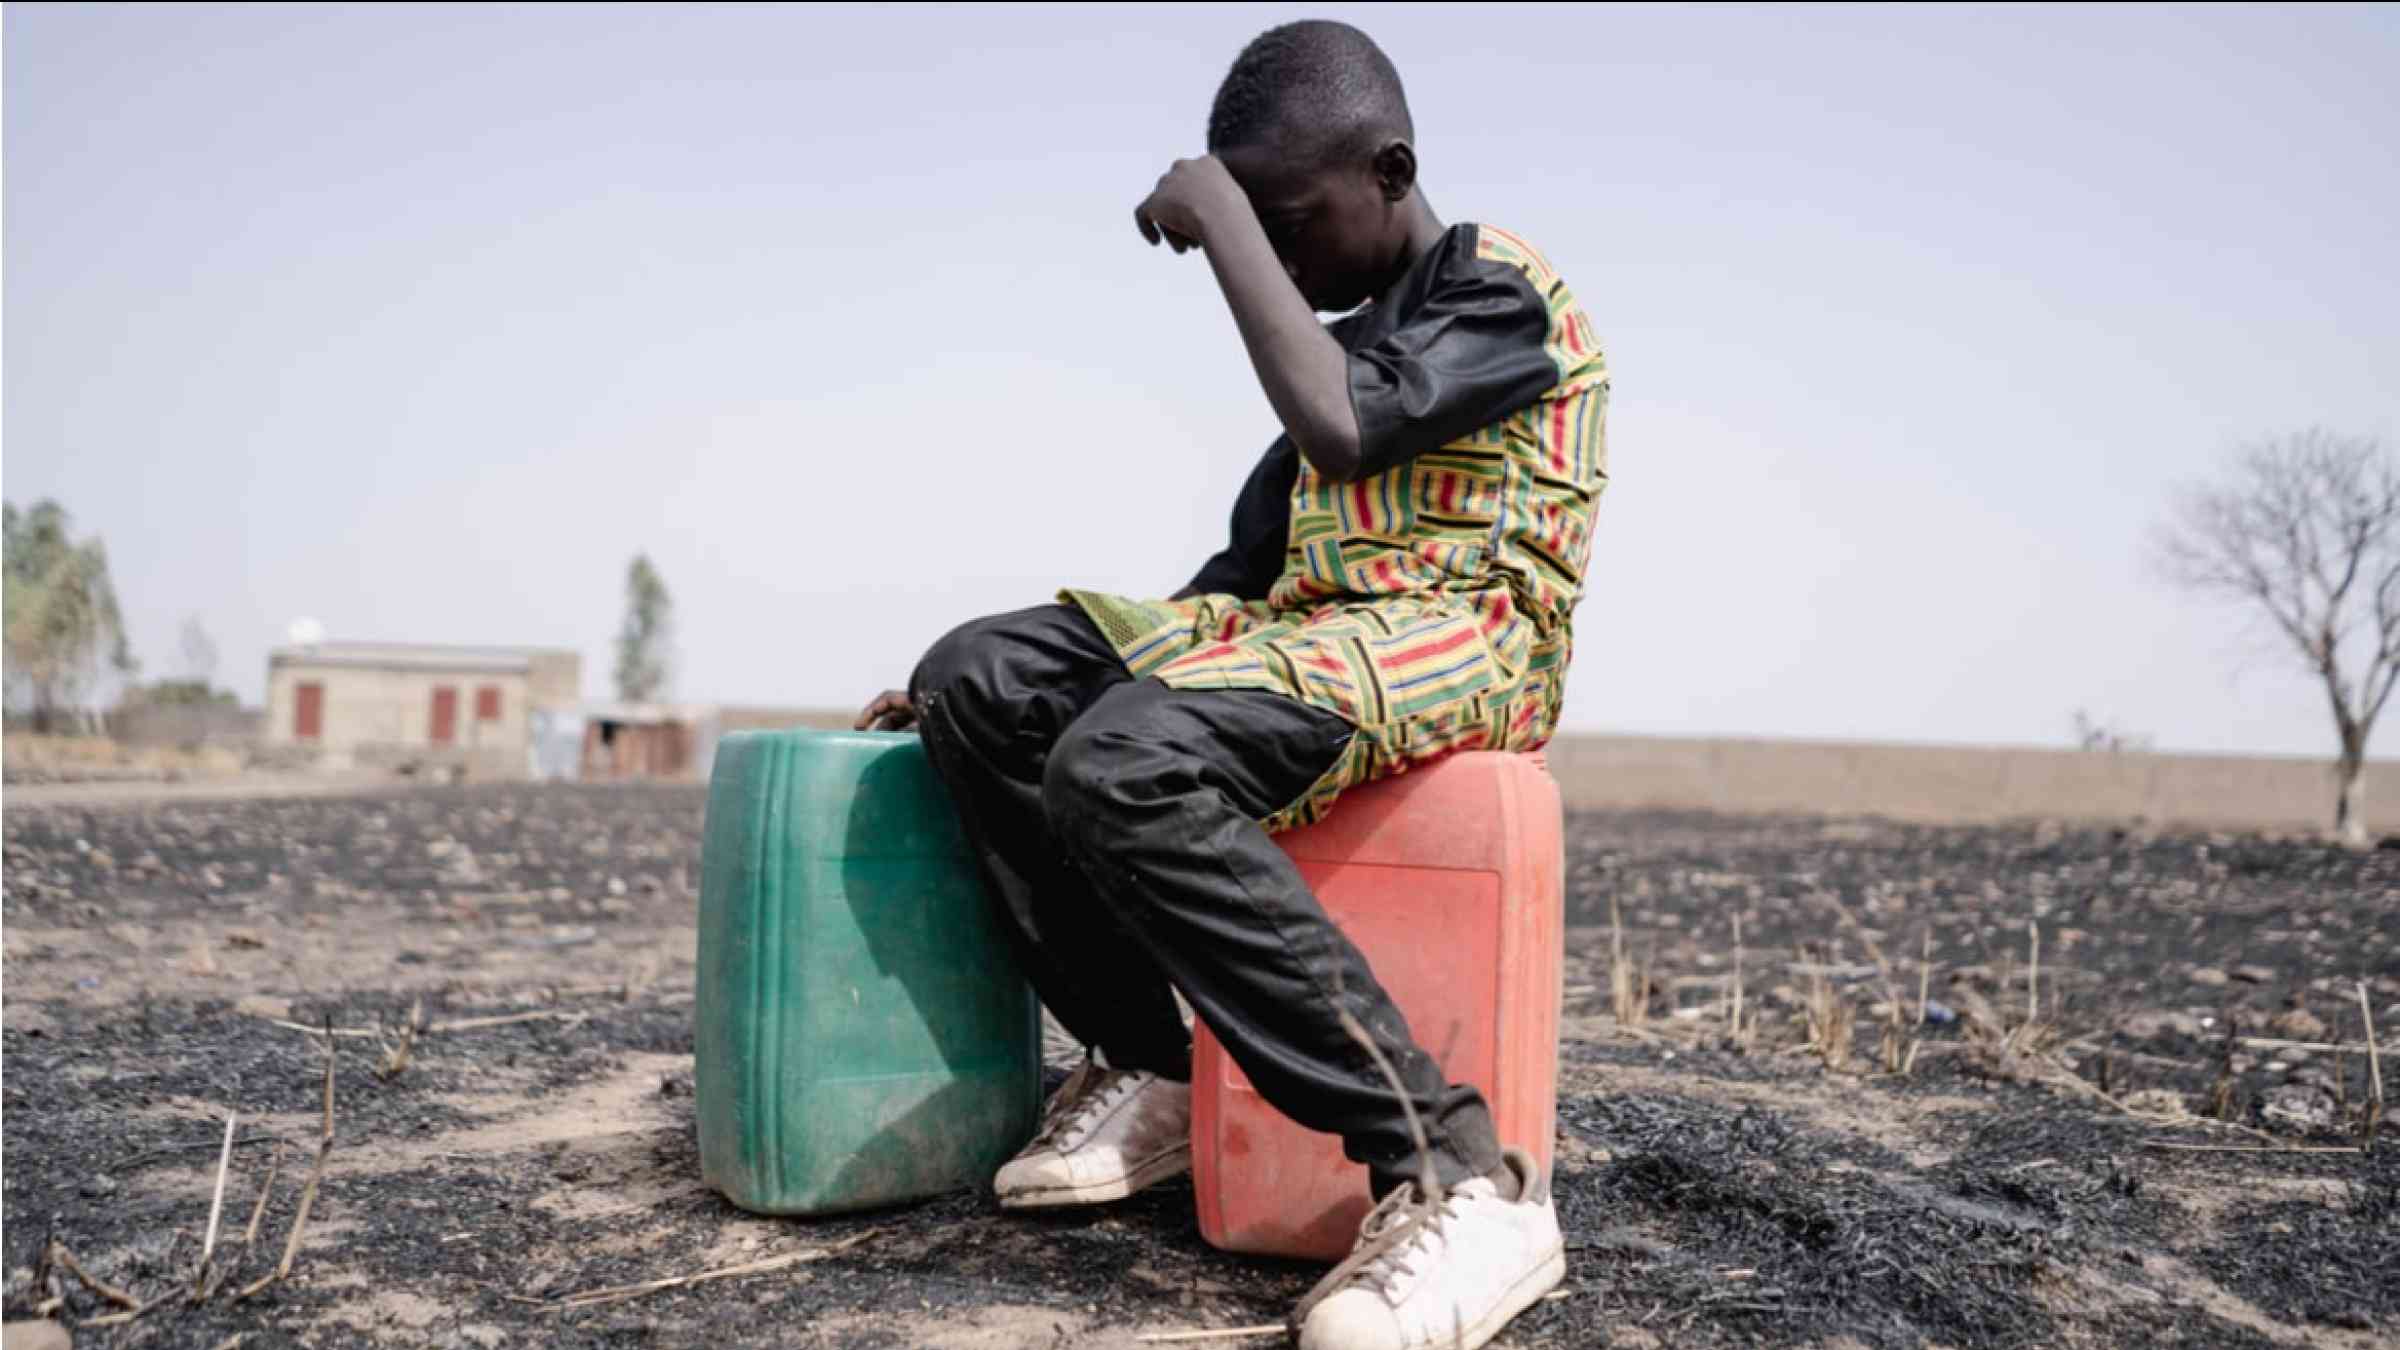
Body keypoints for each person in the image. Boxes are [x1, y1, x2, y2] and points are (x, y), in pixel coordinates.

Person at [855, 20, 1608, 1350]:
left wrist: (1211, 208)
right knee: (983, 677)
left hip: (1462, 634)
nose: (1274, 248)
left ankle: (1458, 1173)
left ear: (1391, 169)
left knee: (1123, 761)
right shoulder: (1342, 348)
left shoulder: (1497, 288)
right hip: (1307, 633)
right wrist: (994, 688)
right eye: (1252, 220)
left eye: (1289, 215)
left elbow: (1339, 421)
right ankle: (1150, 1062)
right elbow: (1237, 581)